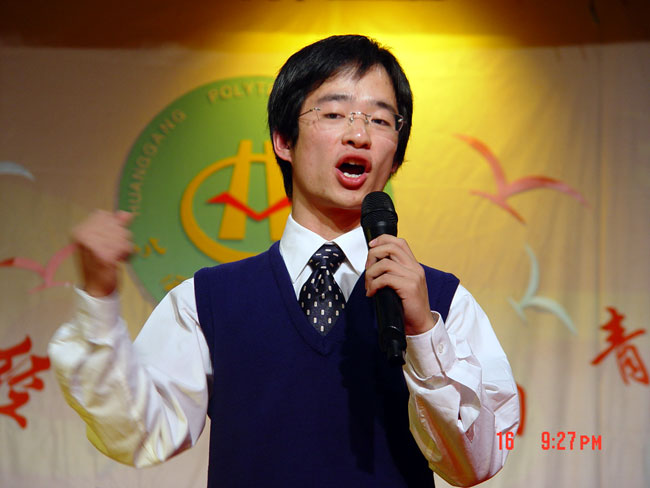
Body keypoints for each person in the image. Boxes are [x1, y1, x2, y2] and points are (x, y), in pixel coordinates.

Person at [49, 35, 519, 487]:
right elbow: (137, 432)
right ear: (283, 140)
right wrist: (98, 299)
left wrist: (423, 334)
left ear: (395, 157)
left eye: (380, 120)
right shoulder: (209, 300)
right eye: (333, 113)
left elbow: (477, 464)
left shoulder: (442, 301)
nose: (358, 135)